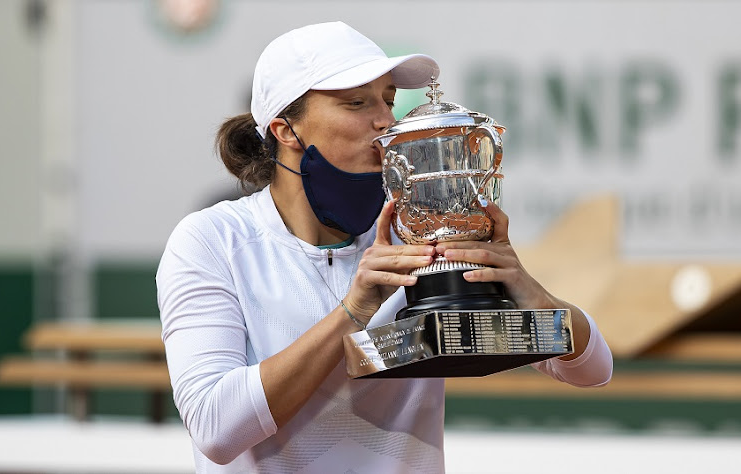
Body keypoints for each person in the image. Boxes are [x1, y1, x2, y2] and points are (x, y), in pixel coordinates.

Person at [156, 21, 613, 474]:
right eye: (356, 103)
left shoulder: (420, 229)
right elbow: (215, 429)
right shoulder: (211, 241)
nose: (385, 122)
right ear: (285, 130)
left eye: (389, 101)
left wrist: (530, 296)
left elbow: (591, 370)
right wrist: (352, 312)